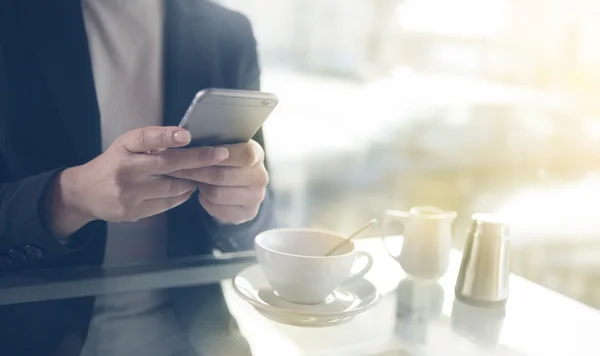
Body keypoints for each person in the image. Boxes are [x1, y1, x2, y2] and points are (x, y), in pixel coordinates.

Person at [0, 0, 275, 355]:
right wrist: (69, 198)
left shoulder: (227, 32)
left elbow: (263, 218)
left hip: (194, 337)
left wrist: (240, 210)